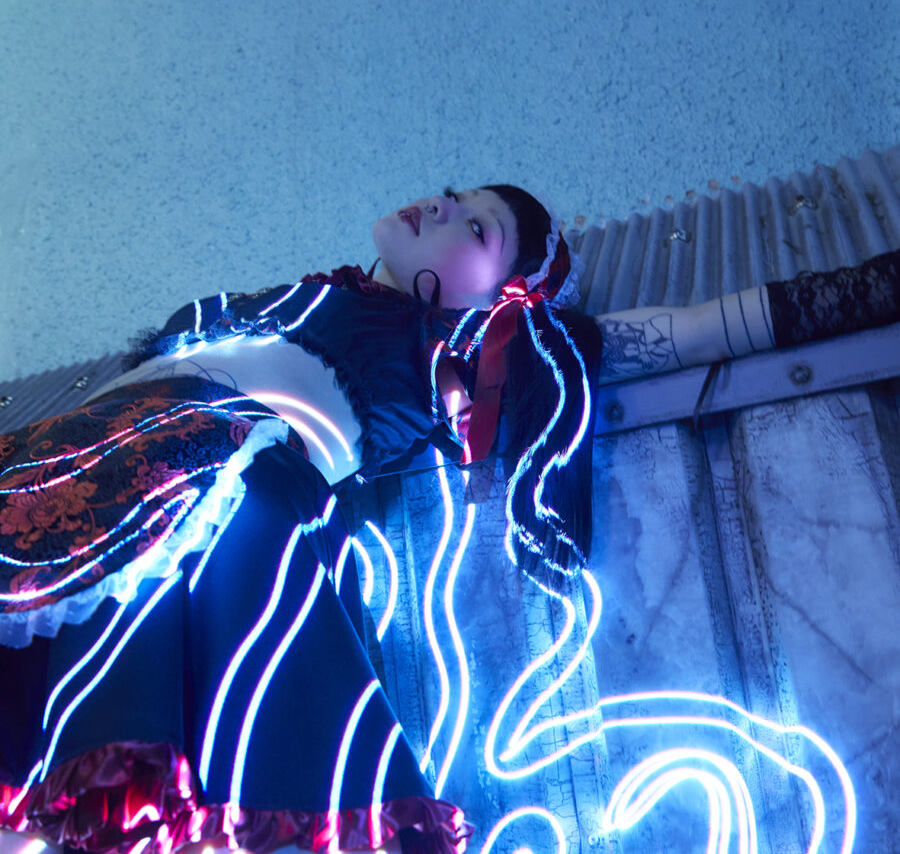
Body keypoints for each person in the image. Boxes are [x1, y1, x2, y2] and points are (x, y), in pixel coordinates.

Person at [1, 182, 898, 854]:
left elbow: (693, 331)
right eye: (458, 197)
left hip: (213, 483)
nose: (443, 205)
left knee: (95, 752)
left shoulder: (452, 351)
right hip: (63, 458)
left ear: (496, 297)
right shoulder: (301, 296)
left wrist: (856, 293)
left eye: (478, 229)